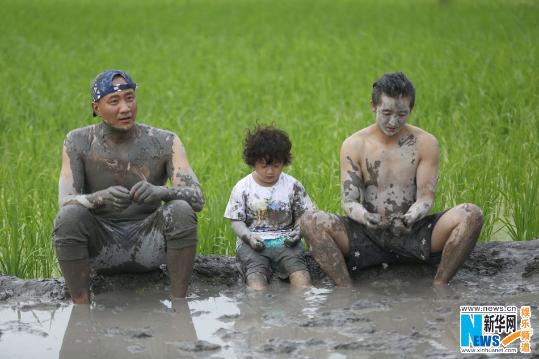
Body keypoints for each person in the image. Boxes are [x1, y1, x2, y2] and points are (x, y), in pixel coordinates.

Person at [301, 72, 483, 287]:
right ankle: (345, 289)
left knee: (471, 214)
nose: (393, 121)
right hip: (365, 234)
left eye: (402, 114)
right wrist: (367, 217)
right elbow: (349, 202)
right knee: (310, 221)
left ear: (411, 110)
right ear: (373, 106)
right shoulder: (355, 144)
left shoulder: (425, 143)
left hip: (413, 231)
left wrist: (409, 217)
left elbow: (425, 197)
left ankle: (440, 284)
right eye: (386, 112)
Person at [53, 69, 204, 303]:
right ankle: (80, 306)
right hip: (101, 242)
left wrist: (161, 191)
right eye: (114, 101)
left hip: (149, 241)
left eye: (130, 98)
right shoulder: (78, 141)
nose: (125, 108)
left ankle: (179, 304)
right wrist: (98, 198)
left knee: (181, 210)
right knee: (69, 217)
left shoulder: (165, 141)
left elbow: (197, 198)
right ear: (96, 108)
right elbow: (65, 201)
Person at [224, 125, 314, 290]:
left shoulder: (292, 185)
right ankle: (257, 311)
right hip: (252, 244)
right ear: (253, 163)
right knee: (256, 281)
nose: (270, 171)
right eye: (264, 166)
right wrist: (248, 237)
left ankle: (300, 313)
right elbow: (236, 221)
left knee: (302, 280)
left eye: (276, 165)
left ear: (284, 162)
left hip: (287, 242)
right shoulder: (243, 187)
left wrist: (298, 232)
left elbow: (304, 214)